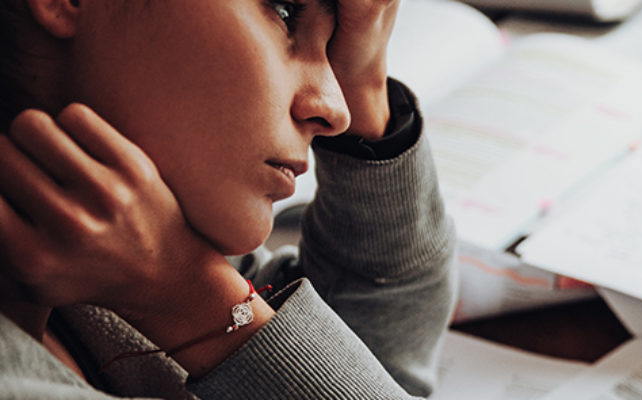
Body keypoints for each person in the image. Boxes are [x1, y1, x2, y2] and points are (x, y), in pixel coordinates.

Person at [0, 0, 456, 398]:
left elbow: (376, 352)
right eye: (285, 9)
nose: (338, 111)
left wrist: (367, 87)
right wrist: (189, 295)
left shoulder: (101, 239)